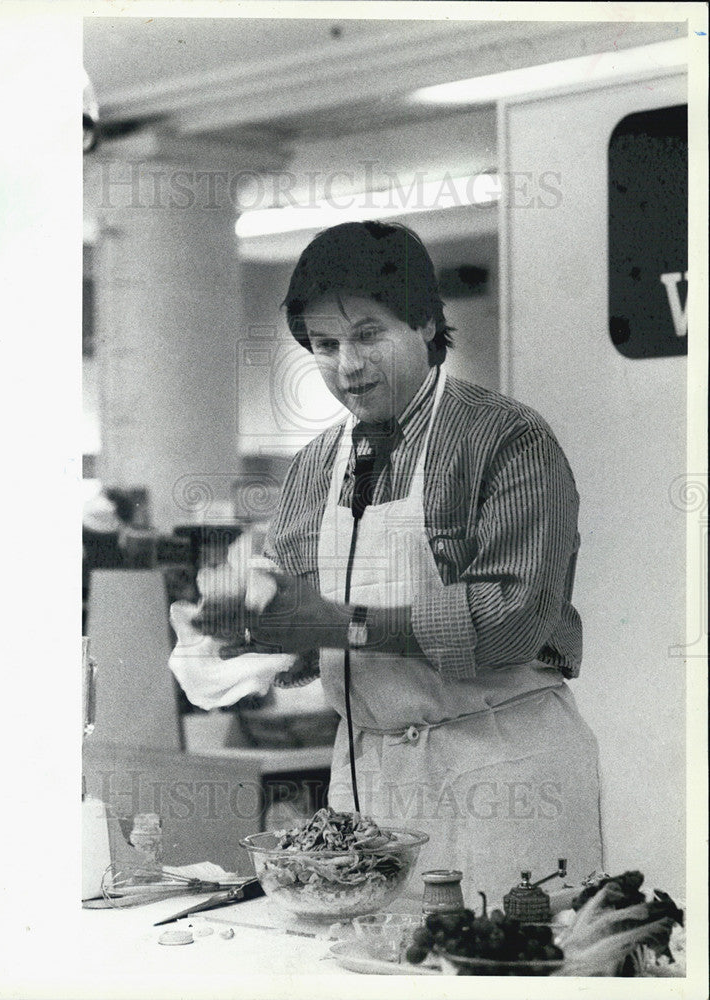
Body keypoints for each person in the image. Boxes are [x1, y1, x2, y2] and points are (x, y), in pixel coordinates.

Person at [197, 220, 603, 905]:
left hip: (501, 769)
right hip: (369, 779)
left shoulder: (506, 438)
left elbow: (512, 620)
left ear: (423, 322)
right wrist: (252, 628)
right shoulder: (314, 465)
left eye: (367, 335)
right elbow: (306, 626)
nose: (346, 366)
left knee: (505, 967)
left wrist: (335, 623)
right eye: (324, 346)